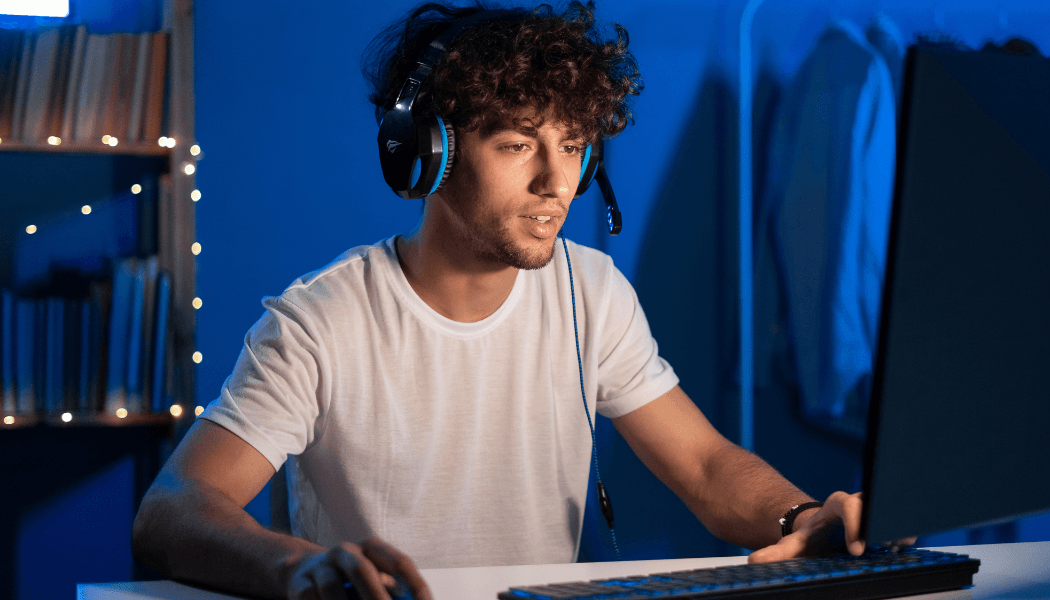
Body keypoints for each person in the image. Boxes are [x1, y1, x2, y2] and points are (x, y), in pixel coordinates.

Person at [131, 3, 893, 600]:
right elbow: (172, 510)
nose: (557, 183)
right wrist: (299, 570)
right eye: (517, 144)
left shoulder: (590, 290)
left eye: (572, 146)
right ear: (426, 155)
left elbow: (702, 465)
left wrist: (805, 517)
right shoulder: (320, 320)